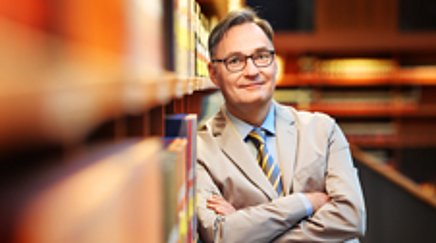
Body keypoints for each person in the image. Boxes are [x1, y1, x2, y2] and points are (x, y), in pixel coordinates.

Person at [196, 8, 366, 243]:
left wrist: (252, 229)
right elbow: (221, 235)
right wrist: (306, 202)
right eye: (235, 61)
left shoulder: (323, 130)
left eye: (261, 56)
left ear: (275, 64)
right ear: (214, 74)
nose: (252, 71)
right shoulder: (199, 149)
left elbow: (351, 218)